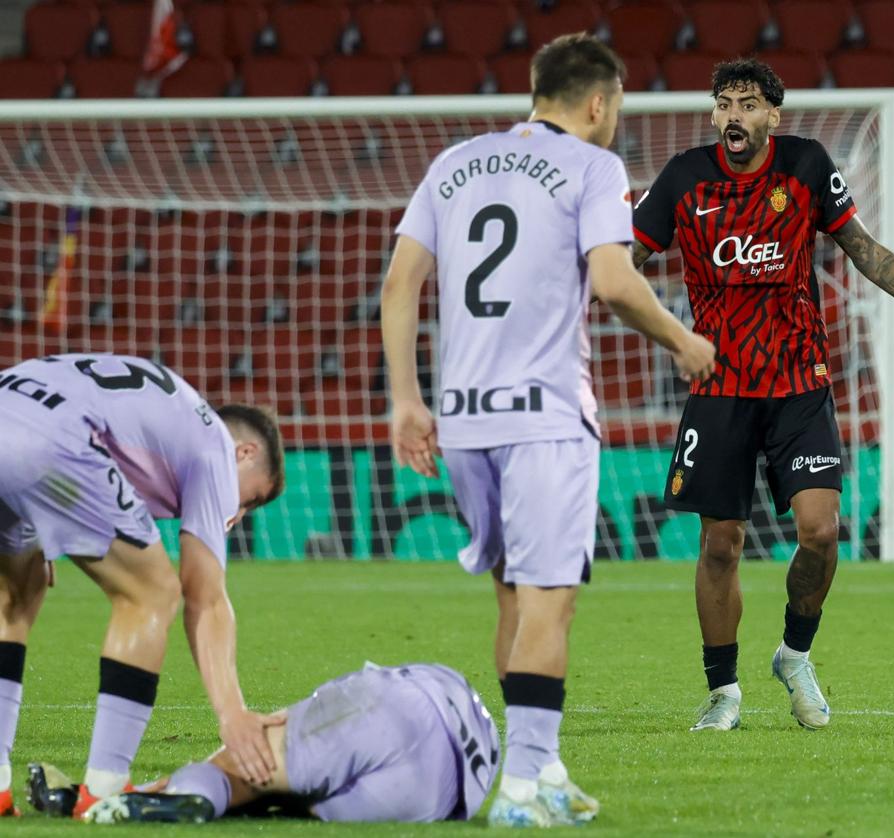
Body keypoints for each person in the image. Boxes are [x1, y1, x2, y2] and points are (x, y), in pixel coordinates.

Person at [383, 33, 715, 828]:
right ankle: (524, 790)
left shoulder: (454, 162)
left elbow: (400, 283)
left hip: (462, 419)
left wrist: (406, 400)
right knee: (549, 603)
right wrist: (683, 340)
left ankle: (539, 769)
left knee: (510, 597)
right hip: (545, 418)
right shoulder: (593, 167)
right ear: (598, 103)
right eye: (617, 109)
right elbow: (611, 279)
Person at [631, 58, 894, 732]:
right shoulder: (685, 179)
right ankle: (723, 692)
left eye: (748, 104)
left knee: (821, 531)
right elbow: (624, 260)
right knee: (720, 544)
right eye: (724, 104)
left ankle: (794, 654)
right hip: (718, 388)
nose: (734, 116)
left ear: (773, 114)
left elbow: (861, 249)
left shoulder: (804, 166)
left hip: (797, 382)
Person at [0, 353, 286, 818]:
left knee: (13, 597)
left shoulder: (166, 412)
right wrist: (232, 713)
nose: (241, 515)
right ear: (245, 453)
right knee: (153, 593)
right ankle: (105, 785)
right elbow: (205, 598)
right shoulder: (214, 441)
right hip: (53, 437)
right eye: (251, 498)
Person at [27, 662, 499, 825]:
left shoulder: (390, 694)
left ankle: (125, 799)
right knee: (281, 795)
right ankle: (134, 801)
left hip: (406, 704)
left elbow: (371, 704)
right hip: (440, 797)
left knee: (242, 766)